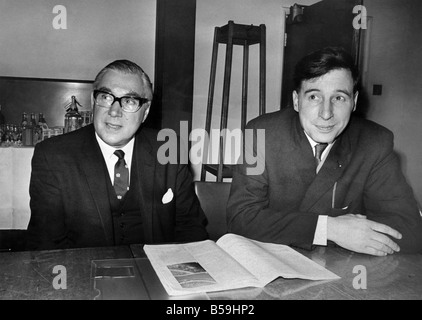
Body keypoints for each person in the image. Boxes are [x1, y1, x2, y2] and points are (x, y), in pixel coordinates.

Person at [227, 47, 422, 256]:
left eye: (339, 98)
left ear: (354, 102)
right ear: (296, 100)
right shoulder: (260, 133)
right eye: (313, 97)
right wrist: (331, 229)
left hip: (340, 271)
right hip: (271, 263)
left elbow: (409, 231)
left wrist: (349, 235)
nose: (326, 113)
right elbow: (241, 219)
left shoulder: (374, 142)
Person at [26, 59, 208, 250]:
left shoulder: (169, 148)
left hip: (157, 271)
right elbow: (46, 245)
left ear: (145, 112)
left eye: (129, 101)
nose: (114, 111)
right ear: (92, 101)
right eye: (106, 97)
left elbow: (191, 229)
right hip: (85, 272)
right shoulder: (52, 156)